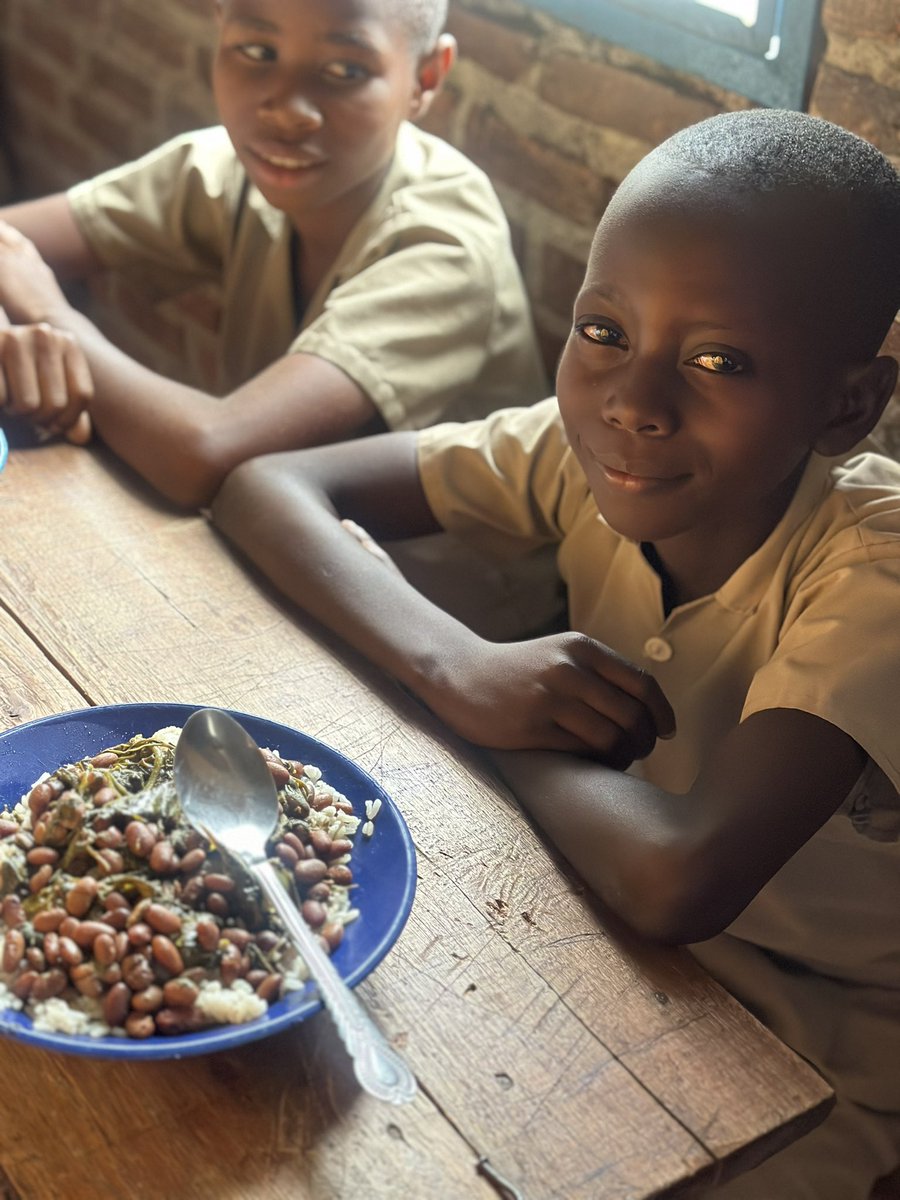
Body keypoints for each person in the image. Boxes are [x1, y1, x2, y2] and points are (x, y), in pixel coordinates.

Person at [211, 108, 900, 1197]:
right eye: (605, 331)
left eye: (720, 359)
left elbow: (681, 877)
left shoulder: (875, 572)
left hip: (831, 1045)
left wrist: (467, 697)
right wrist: (459, 667)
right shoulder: (579, 452)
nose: (636, 399)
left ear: (847, 403)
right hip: (595, 920)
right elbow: (267, 486)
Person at [0, 0, 546, 507]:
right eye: (257, 53)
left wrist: (50, 316)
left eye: (344, 71)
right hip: (265, 543)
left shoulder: (445, 247)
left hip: (425, 597)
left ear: (425, 78)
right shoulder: (227, 169)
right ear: (220, 31)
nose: (287, 111)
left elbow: (205, 455)